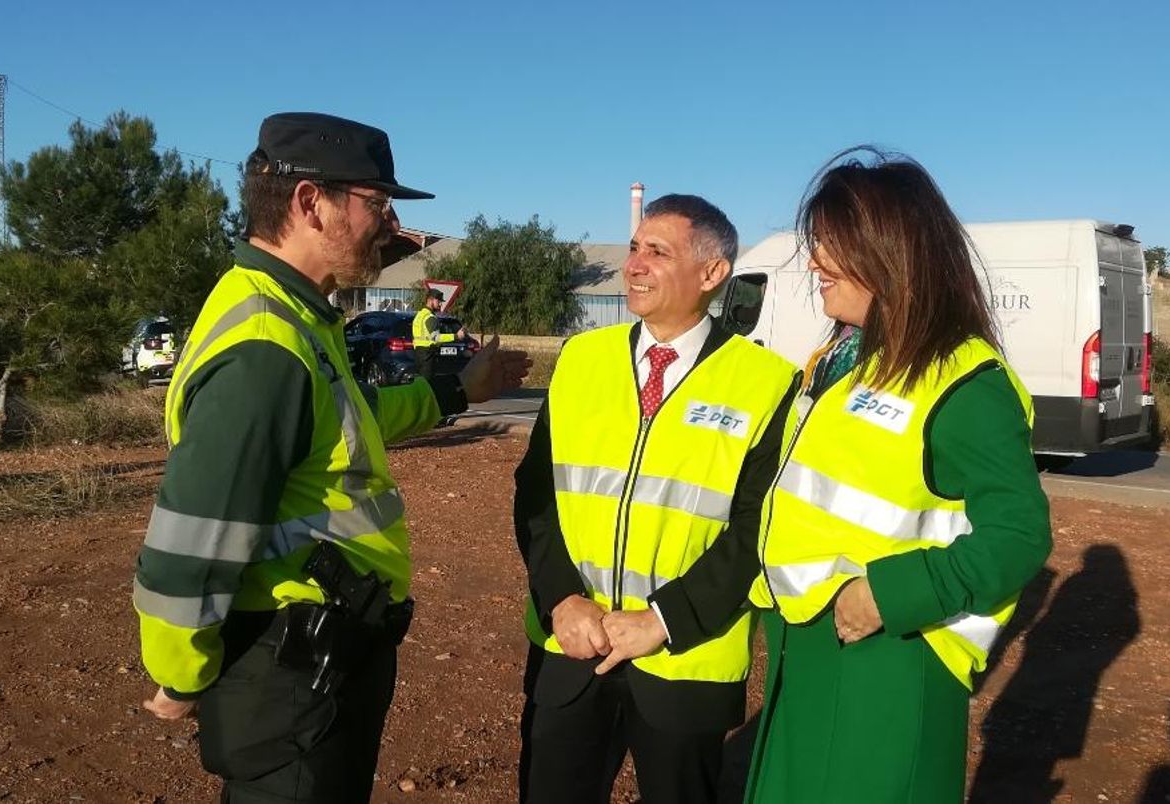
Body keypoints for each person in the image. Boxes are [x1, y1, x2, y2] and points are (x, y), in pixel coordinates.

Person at [133, 112, 529, 803]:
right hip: (288, 673)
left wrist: (454, 392)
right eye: (377, 203)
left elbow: (351, 424)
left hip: (322, 654)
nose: (390, 222)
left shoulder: (295, 315)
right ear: (310, 202)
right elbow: (190, 539)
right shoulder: (265, 345)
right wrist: (181, 674)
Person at [743, 148, 1053, 803]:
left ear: (891, 253)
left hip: (889, 653)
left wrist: (891, 593)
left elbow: (1019, 534)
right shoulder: (838, 361)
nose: (814, 263)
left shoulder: (968, 383)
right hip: (807, 647)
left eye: (830, 244)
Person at [514, 194, 799, 804]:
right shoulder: (581, 360)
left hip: (683, 659)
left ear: (712, 274)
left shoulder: (768, 383)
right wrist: (561, 599)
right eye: (635, 248)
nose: (634, 265)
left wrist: (663, 621)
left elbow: (757, 529)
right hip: (573, 647)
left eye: (658, 252)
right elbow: (537, 495)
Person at [412, 287, 461, 379]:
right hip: (428, 355)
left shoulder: (419, 315)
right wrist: (456, 336)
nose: (440, 304)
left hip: (418, 354)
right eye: (438, 301)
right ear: (430, 300)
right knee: (429, 385)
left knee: (421, 383)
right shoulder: (430, 317)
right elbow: (436, 338)